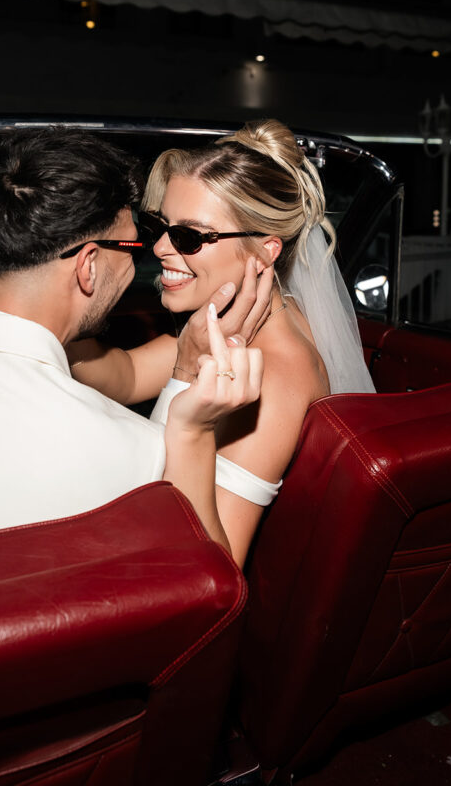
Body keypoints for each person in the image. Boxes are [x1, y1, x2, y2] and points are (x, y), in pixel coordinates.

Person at [0, 127, 263, 563]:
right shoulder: (135, 458)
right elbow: (204, 592)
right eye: (133, 244)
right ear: (88, 266)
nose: (151, 254)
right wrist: (192, 431)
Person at [67, 119, 375, 567]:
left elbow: (213, 564)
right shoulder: (231, 324)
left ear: (267, 249)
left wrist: (183, 384)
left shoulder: (278, 375)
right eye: (163, 227)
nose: (160, 249)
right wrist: (52, 323)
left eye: (189, 237)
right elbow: (126, 375)